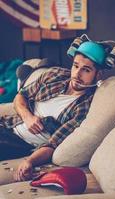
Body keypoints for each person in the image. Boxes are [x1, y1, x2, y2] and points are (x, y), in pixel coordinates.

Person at [0, 40, 106, 181]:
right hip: (7, 124)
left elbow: (53, 144)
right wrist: (28, 117)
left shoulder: (82, 108)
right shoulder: (54, 75)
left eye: (86, 70)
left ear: (98, 75)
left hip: (20, 144)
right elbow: (21, 95)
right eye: (75, 66)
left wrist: (30, 161)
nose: (77, 74)